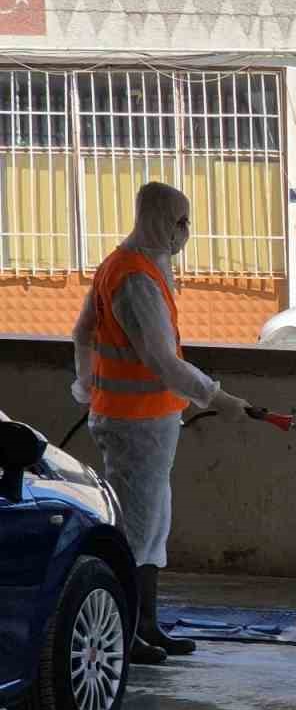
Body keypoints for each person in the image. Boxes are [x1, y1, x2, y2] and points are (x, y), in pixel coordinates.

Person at [69, 181, 252, 666]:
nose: (185, 232)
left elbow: (83, 331)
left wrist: (86, 384)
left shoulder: (134, 266)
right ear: (155, 220)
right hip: (134, 425)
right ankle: (123, 634)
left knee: (153, 528)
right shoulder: (134, 278)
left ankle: (144, 626)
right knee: (134, 531)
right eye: (179, 221)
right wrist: (219, 397)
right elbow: (160, 360)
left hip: (145, 422)